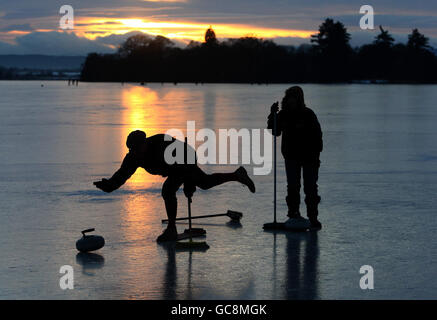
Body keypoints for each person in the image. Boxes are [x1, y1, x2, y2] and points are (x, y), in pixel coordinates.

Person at [93, 130, 256, 241]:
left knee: (169, 190)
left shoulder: (162, 144)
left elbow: (188, 159)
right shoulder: (133, 157)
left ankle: (171, 228)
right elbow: (122, 174)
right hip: (173, 168)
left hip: (185, 159)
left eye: (137, 148)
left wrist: (189, 184)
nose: (135, 152)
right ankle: (237, 175)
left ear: (145, 143)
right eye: (131, 149)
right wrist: (109, 185)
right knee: (204, 183)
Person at [267, 86, 323, 229]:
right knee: (293, 186)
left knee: (310, 187)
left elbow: (318, 136)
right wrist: (273, 115)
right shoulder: (283, 115)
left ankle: (313, 217)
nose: (291, 100)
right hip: (291, 156)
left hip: (309, 157)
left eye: (294, 97)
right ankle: (293, 214)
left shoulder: (308, 114)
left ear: (299, 99)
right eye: (289, 97)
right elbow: (275, 131)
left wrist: (316, 154)